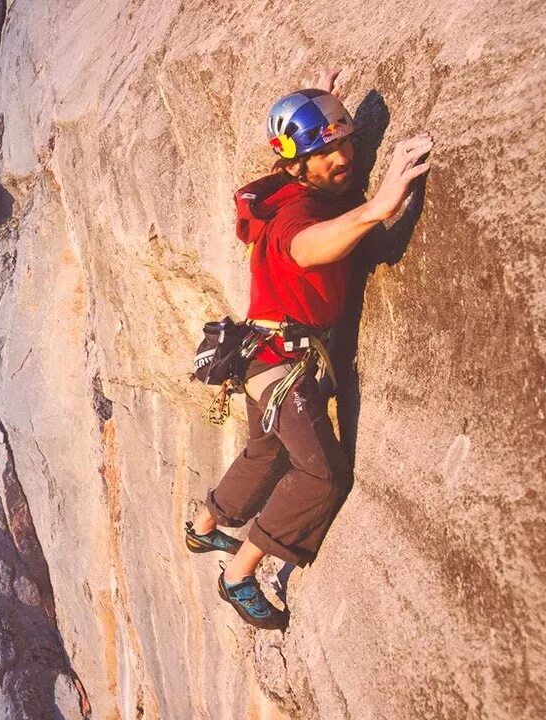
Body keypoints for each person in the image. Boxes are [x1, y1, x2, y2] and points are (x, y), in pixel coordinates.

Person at [184, 70, 433, 630]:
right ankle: (239, 575)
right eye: (328, 153)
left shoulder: (284, 192)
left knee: (265, 451)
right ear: (297, 165)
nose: (343, 157)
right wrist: (379, 206)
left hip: (261, 352)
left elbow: (302, 176)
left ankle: (204, 529)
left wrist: (317, 100)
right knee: (321, 475)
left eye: (346, 143)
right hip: (282, 364)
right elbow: (304, 248)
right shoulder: (299, 213)